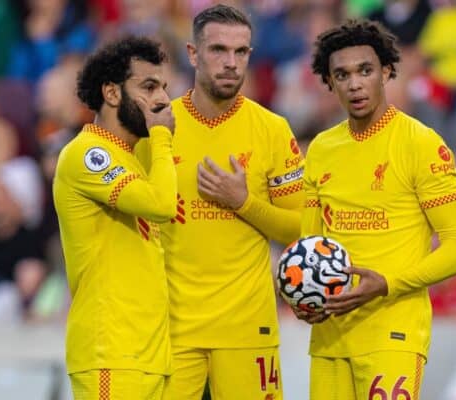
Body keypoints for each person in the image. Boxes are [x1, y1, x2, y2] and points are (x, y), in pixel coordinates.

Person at [298, 19, 456, 399]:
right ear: (329, 83)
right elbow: (310, 245)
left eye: (365, 70)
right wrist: (303, 296)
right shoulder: (322, 149)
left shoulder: (422, 145)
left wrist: (388, 285)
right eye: (341, 75)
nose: (355, 83)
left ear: (387, 72)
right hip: (330, 338)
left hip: (393, 332)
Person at [157, 4, 304, 400]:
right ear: (192, 54)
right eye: (218, 50)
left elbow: (301, 227)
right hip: (172, 325)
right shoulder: (156, 128)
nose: (230, 63)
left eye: (241, 52)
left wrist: (243, 202)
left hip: (246, 327)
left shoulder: (272, 130)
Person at [53, 36, 177, 399]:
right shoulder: (87, 153)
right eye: (149, 86)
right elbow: (162, 205)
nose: (162, 99)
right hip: (112, 355)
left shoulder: (134, 158)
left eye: (164, 87)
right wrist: (162, 138)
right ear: (111, 93)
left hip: (148, 355)